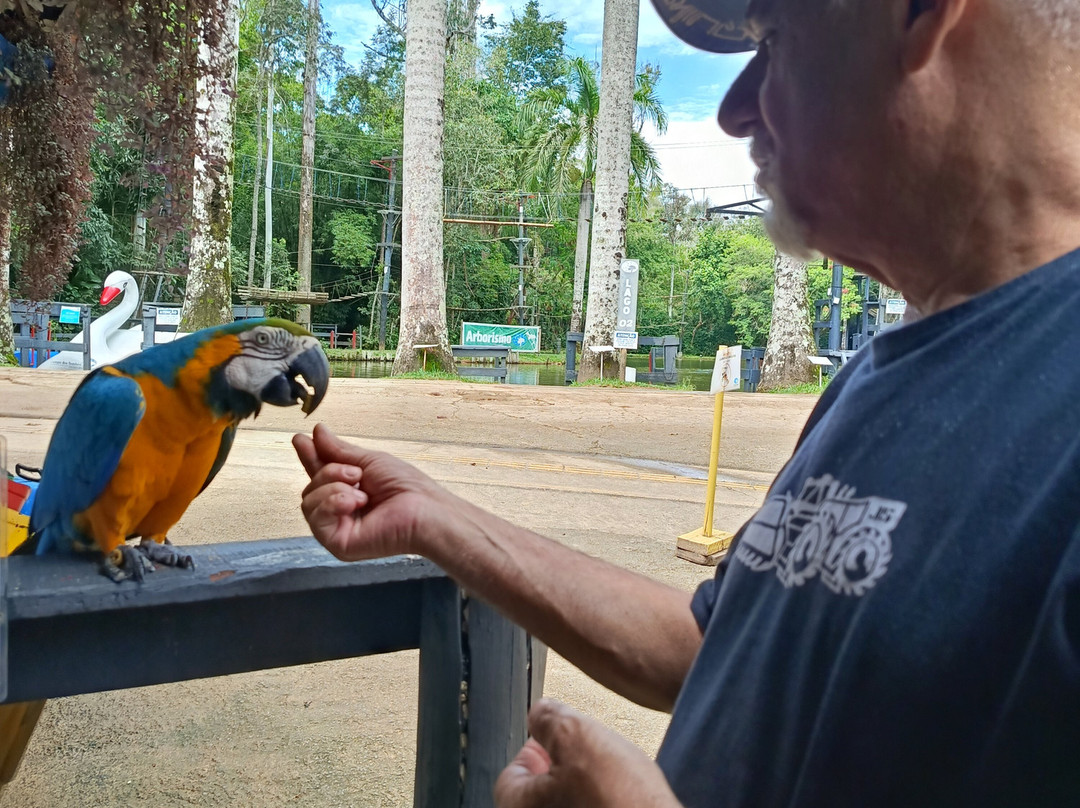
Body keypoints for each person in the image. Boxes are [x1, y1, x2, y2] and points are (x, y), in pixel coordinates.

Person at [294, 0, 1080, 804]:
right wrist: (436, 519)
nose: (736, 109)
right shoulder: (883, 371)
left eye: (773, 40)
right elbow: (721, 642)